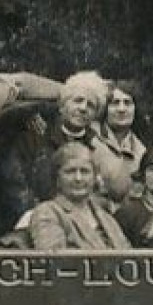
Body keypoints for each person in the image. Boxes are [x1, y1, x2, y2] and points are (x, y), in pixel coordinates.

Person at [26, 70, 134, 206]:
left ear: (95, 114)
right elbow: (16, 188)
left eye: (91, 105)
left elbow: (120, 188)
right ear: (63, 106)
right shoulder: (37, 137)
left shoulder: (95, 146)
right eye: (78, 101)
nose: (83, 108)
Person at [25, 142, 132, 251]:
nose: (78, 178)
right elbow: (54, 260)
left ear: (95, 177)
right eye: (70, 171)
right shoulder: (48, 212)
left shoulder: (107, 217)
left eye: (85, 171)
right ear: (57, 179)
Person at [95, 79, 148, 183]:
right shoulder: (91, 138)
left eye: (127, 103)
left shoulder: (140, 151)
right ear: (105, 108)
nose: (121, 109)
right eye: (115, 103)